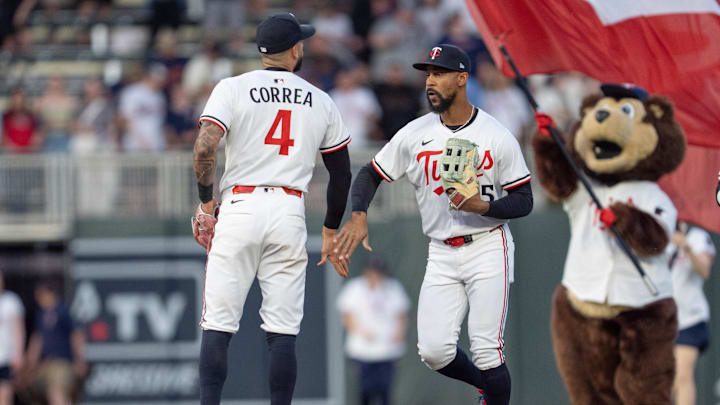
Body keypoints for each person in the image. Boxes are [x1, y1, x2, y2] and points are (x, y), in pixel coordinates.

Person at [334, 44, 533, 405]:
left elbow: (524, 200)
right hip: (440, 250)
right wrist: (359, 215)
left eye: (439, 73)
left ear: (461, 78)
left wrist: (484, 205)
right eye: (428, 74)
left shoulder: (496, 134)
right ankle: (487, 386)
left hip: (488, 243)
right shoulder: (414, 133)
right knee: (434, 351)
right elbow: (369, 174)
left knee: (488, 349)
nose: (430, 81)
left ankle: (492, 391)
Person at [190, 12, 352, 405]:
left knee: (218, 325)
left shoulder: (232, 87)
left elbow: (205, 146)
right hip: (288, 210)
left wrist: (206, 203)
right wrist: (331, 227)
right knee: (282, 332)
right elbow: (342, 173)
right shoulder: (320, 98)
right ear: (295, 49)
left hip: (240, 204)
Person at [336, 256, 409, 405]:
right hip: (363, 349)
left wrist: (399, 334)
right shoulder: (355, 288)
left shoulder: (393, 288)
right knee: (366, 389)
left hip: (387, 348)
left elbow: (402, 315)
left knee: (385, 389)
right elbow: (346, 315)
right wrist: (361, 331)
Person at [669, 222, 715, 405]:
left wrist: (685, 246)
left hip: (690, 319)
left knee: (682, 375)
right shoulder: (658, 233)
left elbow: (704, 270)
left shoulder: (697, 237)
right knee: (666, 382)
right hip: (663, 321)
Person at [24, 282, 88, 405]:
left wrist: (79, 359)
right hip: (45, 363)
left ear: (51, 294)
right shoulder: (41, 314)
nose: (39, 299)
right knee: (31, 389)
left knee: (56, 391)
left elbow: (76, 336)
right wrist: (30, 362)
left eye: (41, 295)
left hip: (61, 361)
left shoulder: (63, 312)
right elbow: (37, 339)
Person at [0, 272, 25, 405]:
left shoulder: (11, 301)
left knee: (5, 395)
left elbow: (18, 330)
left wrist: (18, 354)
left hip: (6, 357)